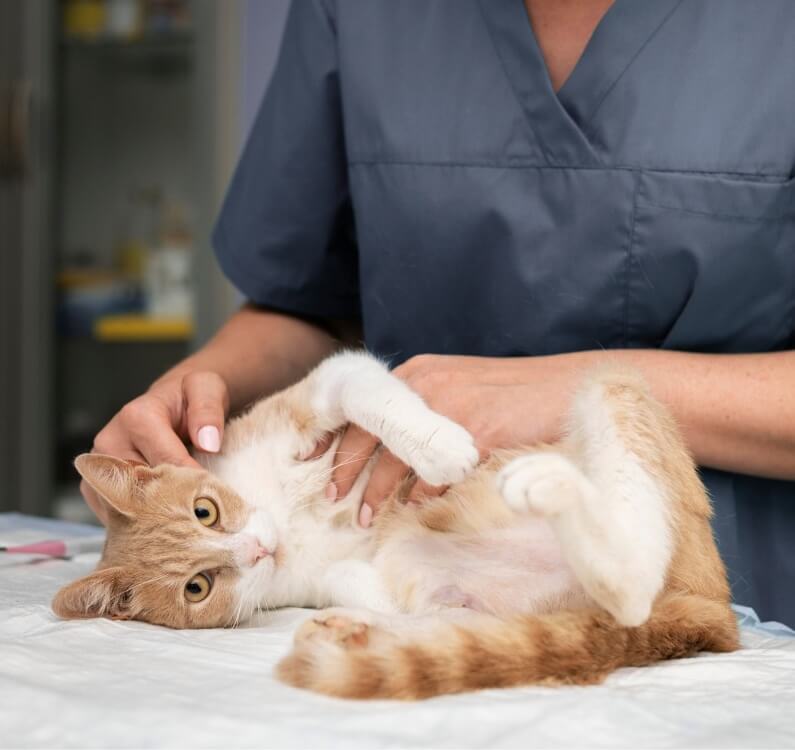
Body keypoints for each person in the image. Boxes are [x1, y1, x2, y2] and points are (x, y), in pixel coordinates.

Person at [83, 0, 795, 624]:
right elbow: (308, 303)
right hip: (429, 577)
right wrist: (198, 389)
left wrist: (566, 392)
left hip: (729, 585)